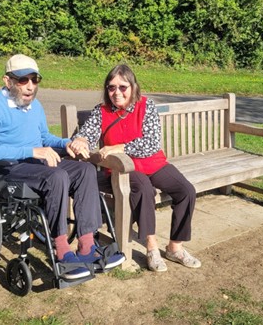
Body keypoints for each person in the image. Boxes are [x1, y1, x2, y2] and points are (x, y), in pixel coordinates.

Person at [0, 54, 124, 280]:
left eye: (35, 80)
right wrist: (32, 151)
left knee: (85, 170)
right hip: (8, 169)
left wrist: (68, 143)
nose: (30, 86)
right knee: (57, 176)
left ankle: (87, 246)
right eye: (23, 80)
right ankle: (62, 250)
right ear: (8, 81)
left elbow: (44, 136)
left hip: (37, 165)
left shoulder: (35, 106)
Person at [69, 64, 201, 272]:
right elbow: (87, 134)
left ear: (133, 87)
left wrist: (119, 146)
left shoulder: (146, 106)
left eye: (123, 87)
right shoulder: (101, 111)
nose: (116, 92)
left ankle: (175, 247)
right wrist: (81, 140)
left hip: (153, 162)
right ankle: (151, 247)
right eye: (111, 87)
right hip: (122, 169)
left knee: (186, 191)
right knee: (143, 188)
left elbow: (152, 144)